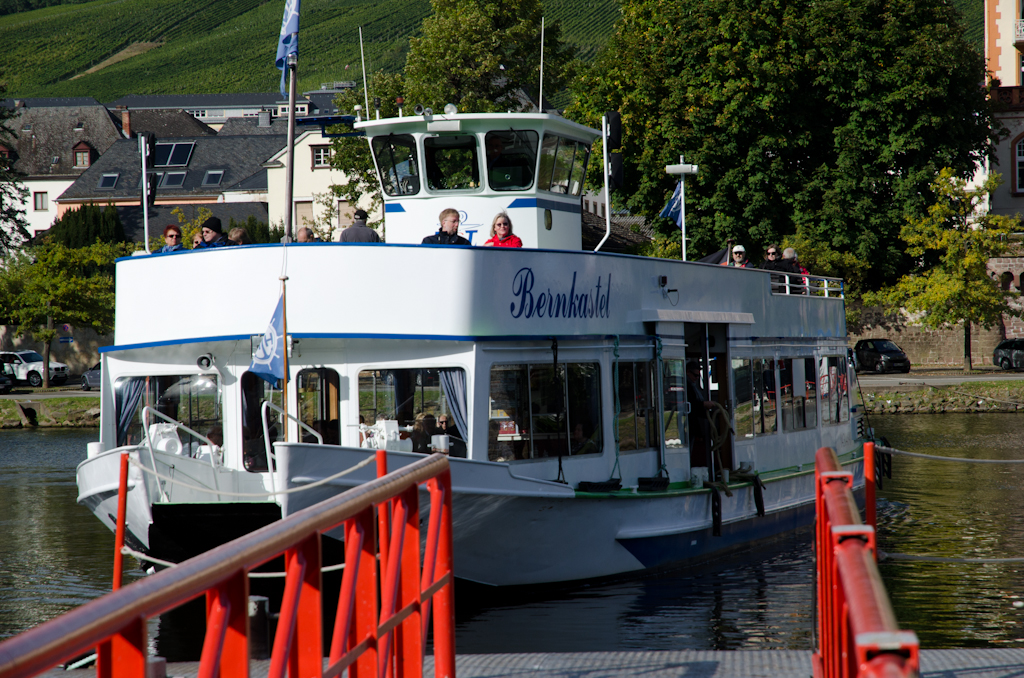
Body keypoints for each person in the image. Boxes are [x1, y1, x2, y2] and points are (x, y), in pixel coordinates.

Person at [685, 360, 715, 468]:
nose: (697, 378)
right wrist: (703, 404)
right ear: (688, 372)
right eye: (695, 375)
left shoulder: (692, 386)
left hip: (693, 425)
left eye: (698, 376)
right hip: (688, 425)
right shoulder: (686, 386)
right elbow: (690, 404)